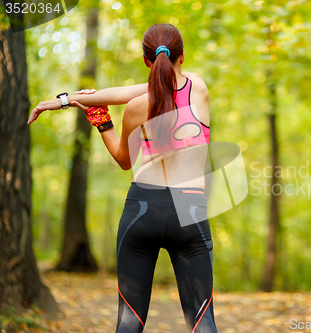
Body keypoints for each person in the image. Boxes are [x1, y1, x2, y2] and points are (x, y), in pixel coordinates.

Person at [28, 23, 217, 333]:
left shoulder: (136, 108)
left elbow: (123, 159)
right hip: (190, 211)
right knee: (202, 321)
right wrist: (71, 99)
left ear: (146, 62)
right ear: (182, 56)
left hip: (143, 209)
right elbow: (149, 88)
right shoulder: (199, 87)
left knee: (129, 322)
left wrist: (99, 119)